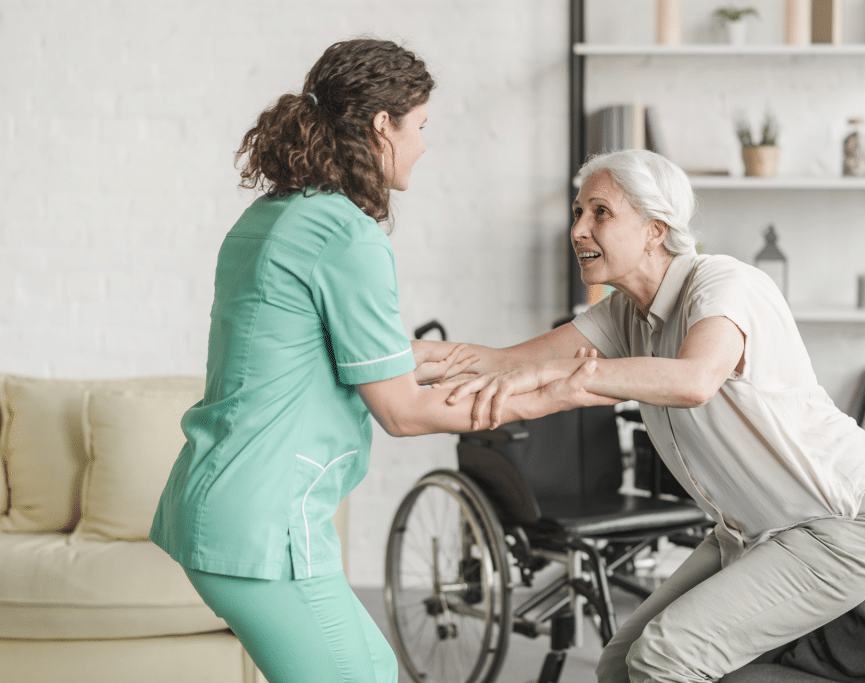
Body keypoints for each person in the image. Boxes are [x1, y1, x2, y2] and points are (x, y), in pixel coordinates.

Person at [149, 38, 608, 683]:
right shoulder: (344, 234)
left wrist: (496, 361)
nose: (425, 144)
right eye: (420, 126)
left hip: (225, 503)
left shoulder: (275, 215)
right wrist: (570, 392)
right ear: (380, 125)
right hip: (263, 522)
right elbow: (403, 412)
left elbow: (328, 354)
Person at [423, 148, 865, 683]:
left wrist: (573, 381)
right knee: (618, 663)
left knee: (663, 657)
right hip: (757, 527)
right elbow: (502, 362)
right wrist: (375, 357)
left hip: (844, 519)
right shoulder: (623, 314)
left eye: (600, 212)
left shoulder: (724, 284)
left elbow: (694, 379)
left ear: (655, 230)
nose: (579, 229)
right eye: (577, 213)